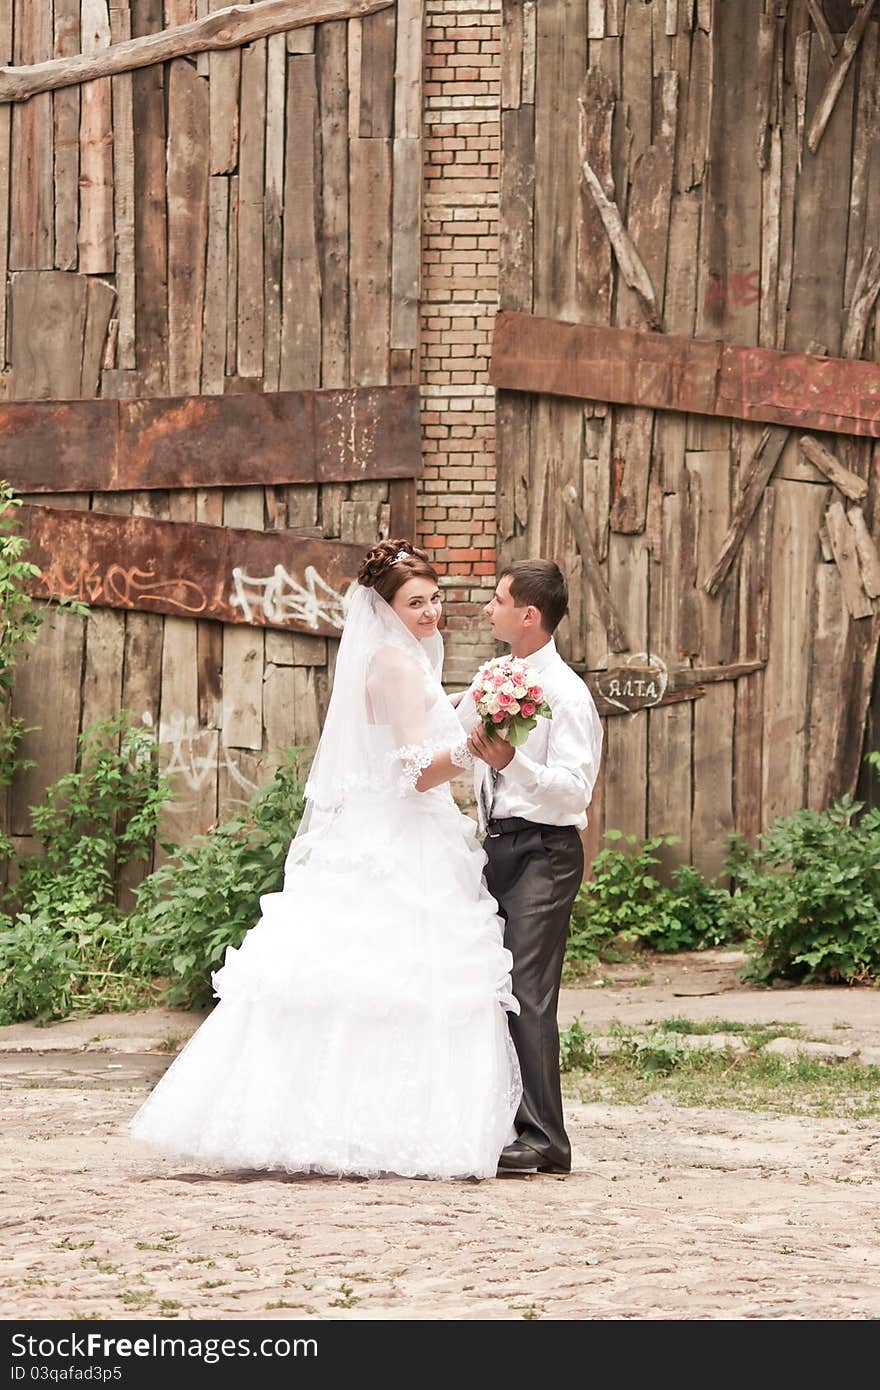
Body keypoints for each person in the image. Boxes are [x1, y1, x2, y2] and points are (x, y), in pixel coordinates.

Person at [130, 541, 522, 1181]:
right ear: (385, 609)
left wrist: (470, 714)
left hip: (392, 829)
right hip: (400, 837)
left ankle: (340, 1120)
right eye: (415, 603)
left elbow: (415, 737)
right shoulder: (395, 663)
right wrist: (483, 749)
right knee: (386, 979)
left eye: (435, 598)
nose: (431, 612)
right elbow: (414, 770)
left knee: (366, 982)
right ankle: (379, 1128)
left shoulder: (404, 657)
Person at [459, 560, 603, 1175]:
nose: (487, 610)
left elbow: (575, 793)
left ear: (529, 616)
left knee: (529, 991)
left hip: (546, 849)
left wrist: (512, 763)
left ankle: (546, 1139)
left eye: (497, 601)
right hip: (496, 845)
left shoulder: (568, 696)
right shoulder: (497, 677)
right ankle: (495, 1119)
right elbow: (447, 726)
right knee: (486, 983)